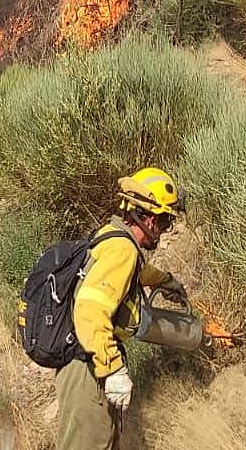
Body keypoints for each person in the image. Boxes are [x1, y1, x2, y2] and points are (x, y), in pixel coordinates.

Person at [56, 167, 187, 450]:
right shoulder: (123, 250)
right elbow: (90, 310)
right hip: (87, 367)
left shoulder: (114, 236)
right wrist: (113, 369)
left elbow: (134, 272)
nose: (164, 231)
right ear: (151, 218)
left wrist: (164, 280)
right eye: (165, 222)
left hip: (87, 361)